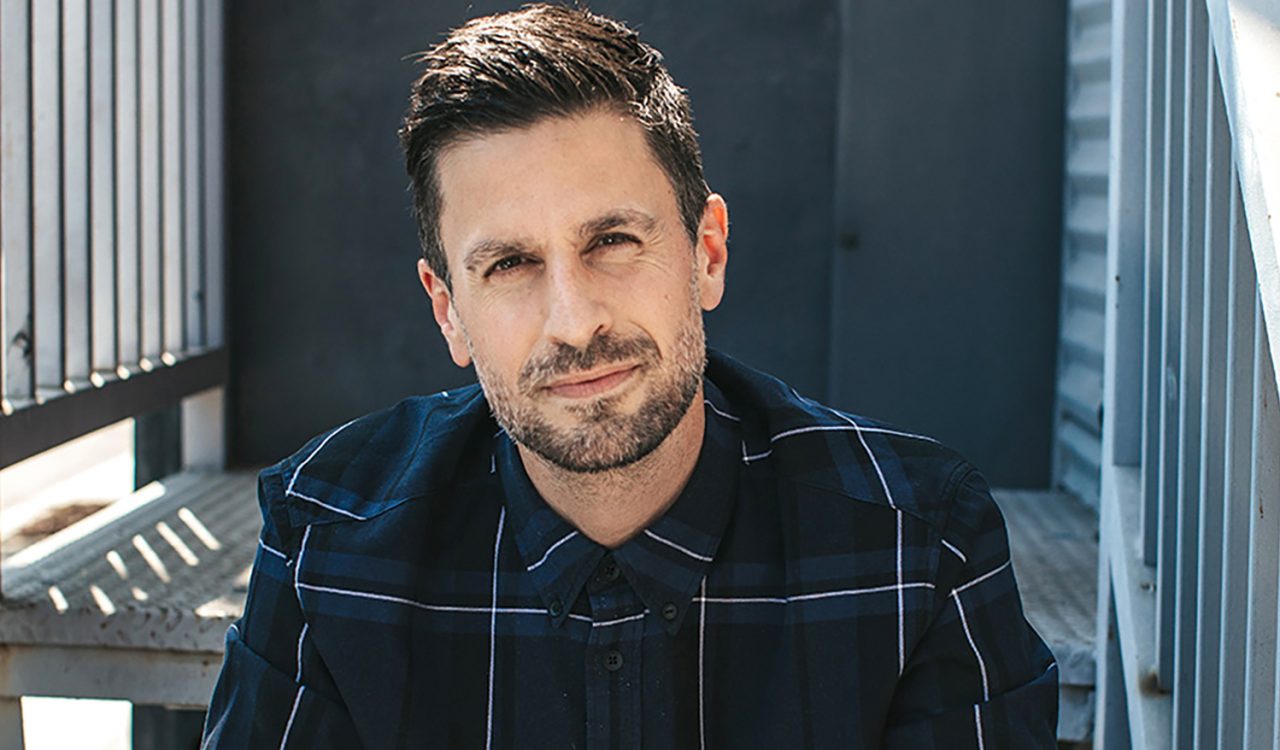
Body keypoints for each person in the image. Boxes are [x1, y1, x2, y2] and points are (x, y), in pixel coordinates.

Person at [201, 4, 1058, 747]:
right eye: (508, 264)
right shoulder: (330, 538)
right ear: (447, 309)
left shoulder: (917, 543)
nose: (575, 322)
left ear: (706, 253)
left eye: (612, 241)